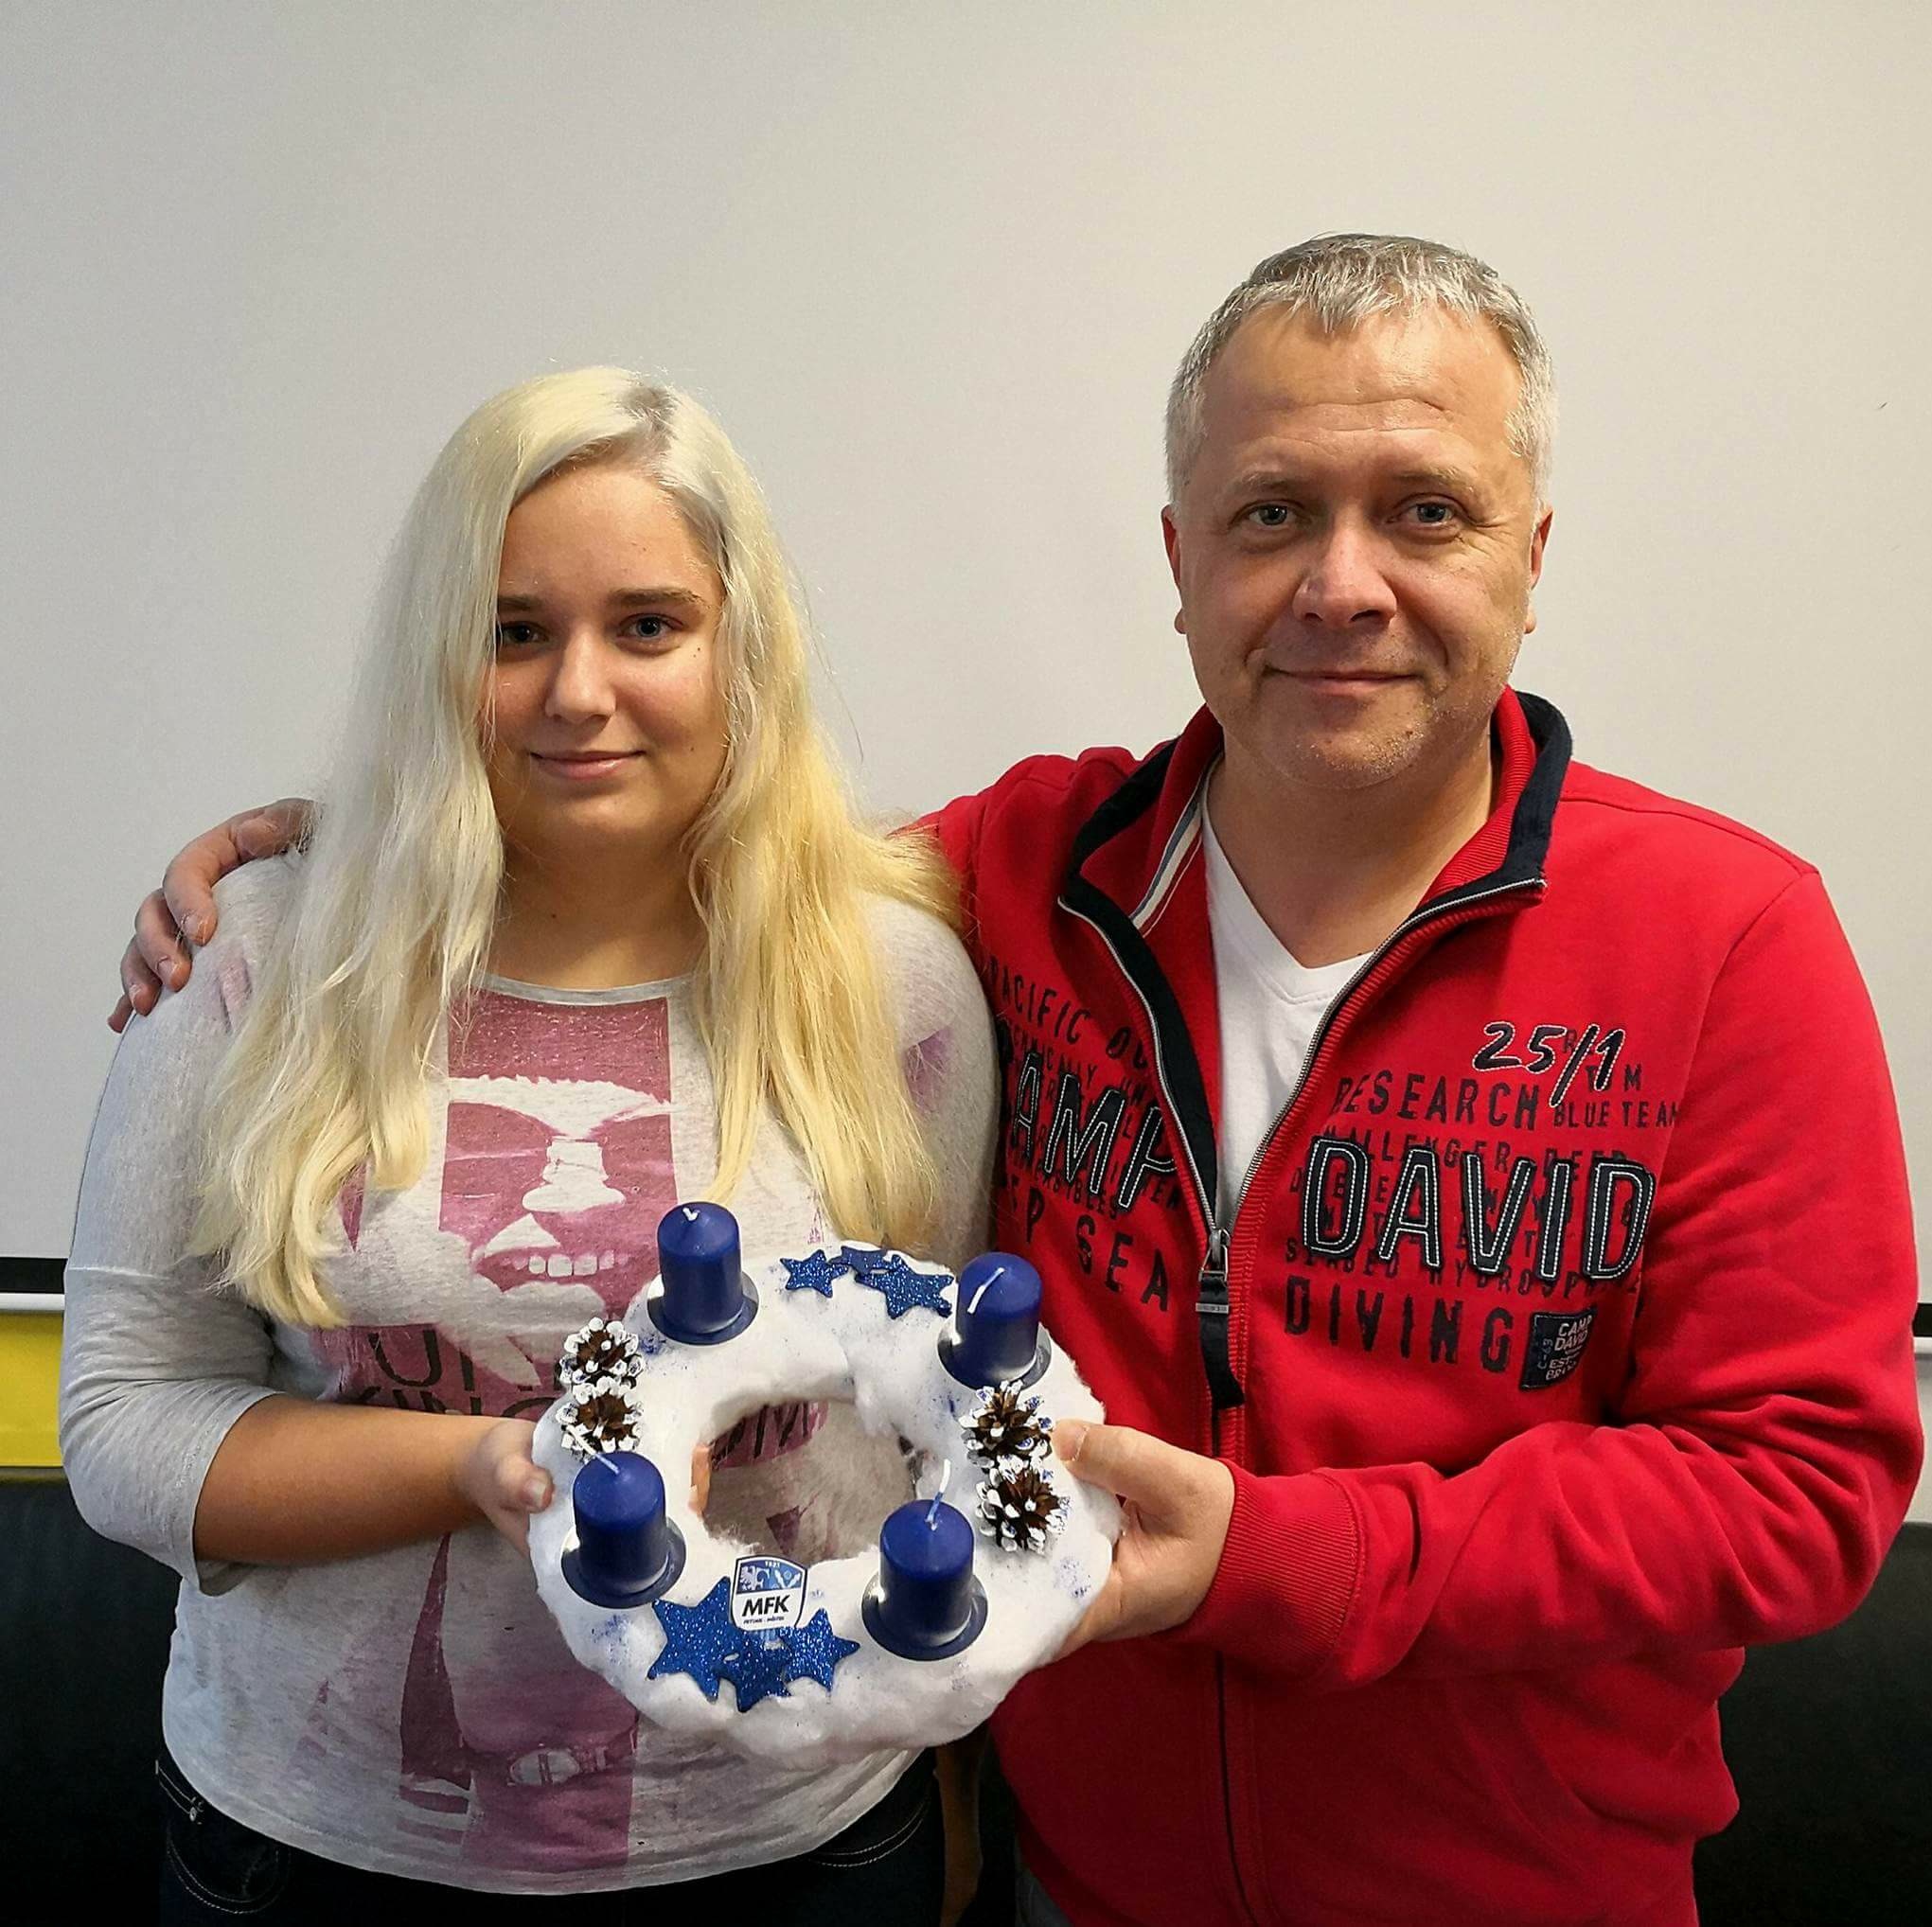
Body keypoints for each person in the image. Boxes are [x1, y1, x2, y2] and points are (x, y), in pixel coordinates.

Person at [111, 238, 1922, 1927]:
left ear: (1532, 548)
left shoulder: (1723, 941)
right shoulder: (1024, 877)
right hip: (1071, 1880)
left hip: (1513, 1889)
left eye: (1424, 512)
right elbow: (659, 842)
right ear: (1179, 558)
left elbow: (1801, 1487)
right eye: (1272, 513)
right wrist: (367, 834)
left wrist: (1287, 1557)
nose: (1341, 585)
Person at [65, 366, 998, 1922]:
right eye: (512, 632)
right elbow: (122, 1419)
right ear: (440, 655)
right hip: (323, 1850)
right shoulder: (257, 963)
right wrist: (493, 1465)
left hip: (798, 1834)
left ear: (739, 648)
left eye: (647, 625)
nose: (577, 690)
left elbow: (940, 1412)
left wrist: (955, 1755)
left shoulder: (891, 983)